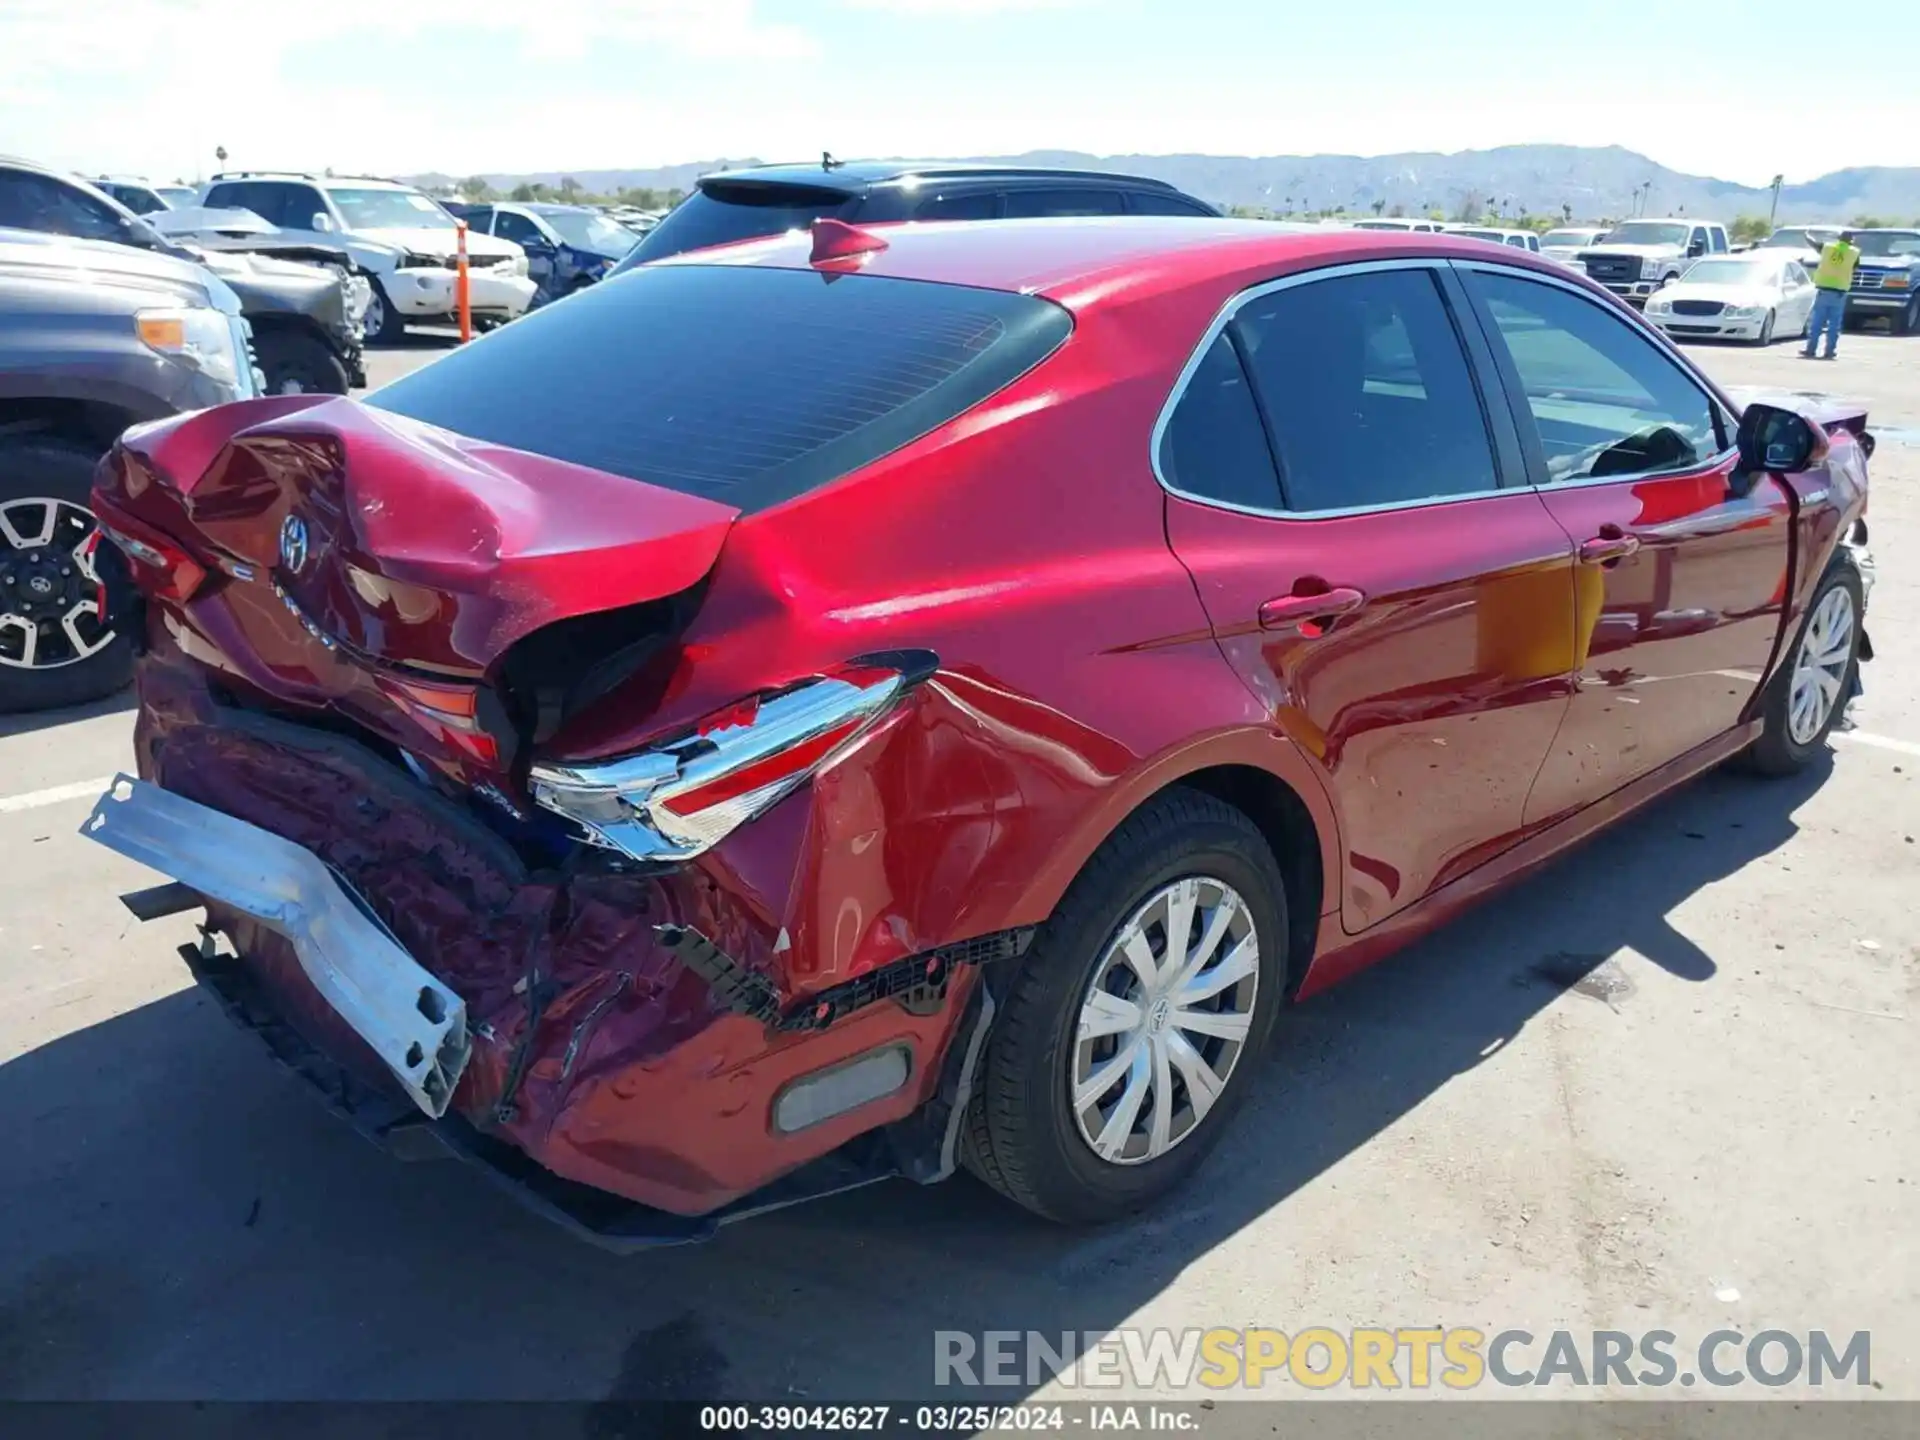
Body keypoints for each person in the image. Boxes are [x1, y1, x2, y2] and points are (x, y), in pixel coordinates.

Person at [1801, 230, 1860, 359]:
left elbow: (1813, 244)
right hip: (1840, 292)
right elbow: (1855, 269)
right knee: (1834, 325)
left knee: (1817, 322)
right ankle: (1829, 352)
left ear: (1839, 239)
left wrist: (1806, 235)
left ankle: (1810, 349)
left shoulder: (1828, 248)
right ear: (1851, 241)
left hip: (1824, 291)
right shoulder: (1854, 253)